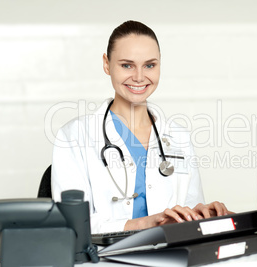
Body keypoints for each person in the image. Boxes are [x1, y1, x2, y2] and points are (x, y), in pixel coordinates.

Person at [51, 20, 230, 234]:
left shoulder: (178, 137)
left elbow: (188, 215)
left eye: (149, 65)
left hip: (168, 255)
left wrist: (201, 215)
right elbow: (71, 225)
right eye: (127, 65)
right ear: (106, 64)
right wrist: (146, 223)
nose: (139, 77)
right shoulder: (74, 136)